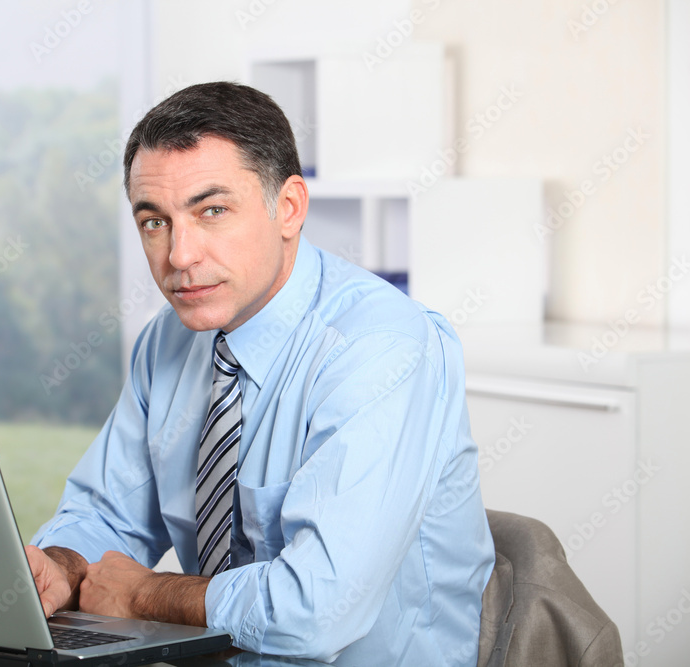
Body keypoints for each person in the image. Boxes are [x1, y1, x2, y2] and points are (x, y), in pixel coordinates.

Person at [28, 81, 495, 665]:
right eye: (154, 222)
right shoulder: (169, 342)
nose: (179, 256)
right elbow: (108, 514)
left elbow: (319, 609)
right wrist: (62, 566)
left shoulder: (381, 349)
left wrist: (145, 594)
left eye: (212, 211)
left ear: (289, 209)